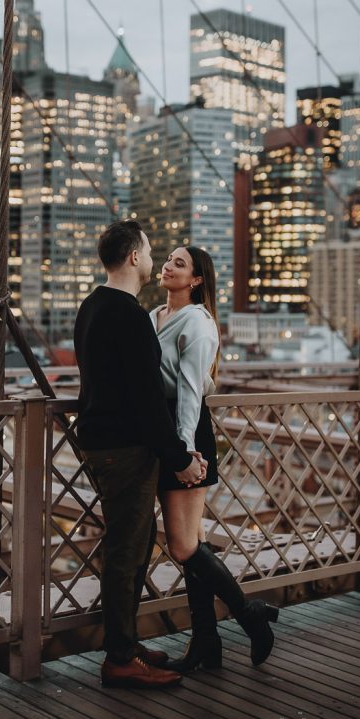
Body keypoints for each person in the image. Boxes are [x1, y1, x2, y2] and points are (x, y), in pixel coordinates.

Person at [74, 220, 206, 689]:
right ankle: (120, 658)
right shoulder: (129, 315)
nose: (153, 259)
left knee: (128, 546)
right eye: (150, 251)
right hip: (126, 449)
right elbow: (148, 400)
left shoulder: (92, 306)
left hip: (101, 442)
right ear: (133, 258)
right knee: (127, 552)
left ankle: (126, 644)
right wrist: (179, 457)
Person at [151, 245, 278, 673]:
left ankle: (249, 615)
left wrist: (184, 449)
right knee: (193, 543)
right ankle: (207, 641)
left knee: (182, 545)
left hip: (185, 432)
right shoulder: (155, 317)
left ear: (197, 280)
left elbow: (190, 391)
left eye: (179, 263)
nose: (168, 266)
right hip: (164, 430)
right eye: (167, 259)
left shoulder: (198, 323)